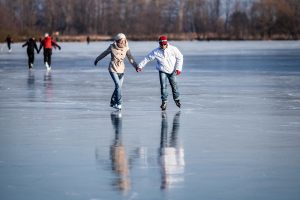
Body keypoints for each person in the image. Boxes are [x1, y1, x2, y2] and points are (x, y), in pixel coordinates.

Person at [137, 35, 183, 111]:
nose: (163, 46)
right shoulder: (156, 51)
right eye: (162, 44)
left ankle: (177, 99)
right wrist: (140, 66)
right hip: (162, 71)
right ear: (159, 44)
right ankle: (164, 102)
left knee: (174, 85)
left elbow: (180, 57)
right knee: (163, 86)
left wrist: (178, 68)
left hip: (172, 71)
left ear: (167, 43)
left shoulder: (173, 49)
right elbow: (147, 58)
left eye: (164, 44)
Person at [94, 33, 138, 110]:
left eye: (124, 41)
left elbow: (130, 58)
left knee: (119, 87)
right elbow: (104, 54)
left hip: (121, 69)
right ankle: (119, 103)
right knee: (118, 85)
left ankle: (112, 102)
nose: (123, 43)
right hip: (113, 69)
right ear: (117, 41)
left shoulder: (126, 48)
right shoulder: (112, 47)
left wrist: (136, 66)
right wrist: (97, 59)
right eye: (121, 41)